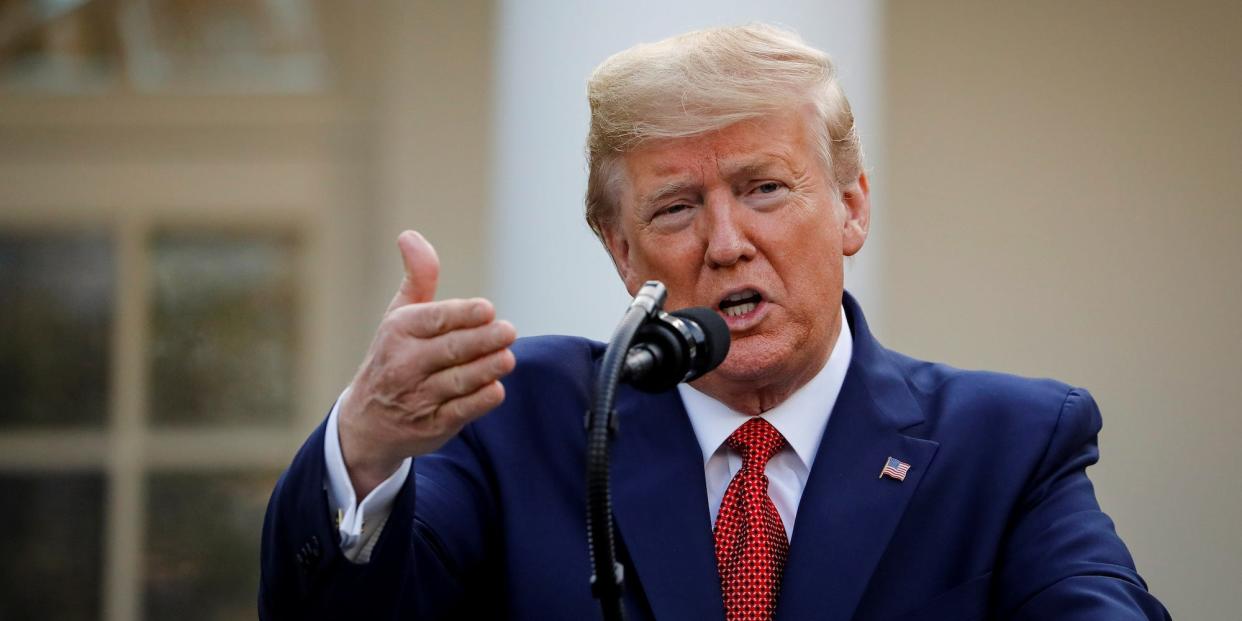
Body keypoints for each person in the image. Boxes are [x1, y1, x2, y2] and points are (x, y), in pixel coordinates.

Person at [260, 24, 1169, 620]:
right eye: (675, 210)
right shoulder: (518, 419)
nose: (727, 242)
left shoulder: (1006, 446)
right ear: (621, 251)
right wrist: (368, 448)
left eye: (765, 189)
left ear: (852, 206)